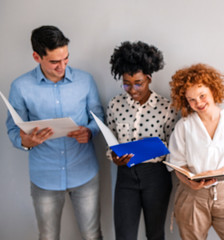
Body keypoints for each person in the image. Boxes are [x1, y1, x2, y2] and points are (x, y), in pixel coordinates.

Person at [5, 25, 104, 239]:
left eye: (66, 58)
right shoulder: (20, 87)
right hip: (44, 177)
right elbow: (13, 129)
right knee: (48, 236)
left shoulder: (85, 80)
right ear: (36, 56)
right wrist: (26, 141)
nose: (62, 66)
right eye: (54, 62)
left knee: (92, 234)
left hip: (84, 171)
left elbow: (98, 117)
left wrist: (90, 131)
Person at [168, 63, 224, 239]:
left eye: (202, 95)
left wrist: (220, 172)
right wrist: (189, 181)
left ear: (213, 90)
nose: (198, 103)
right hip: (192, 197)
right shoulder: (184, 126)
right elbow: (177, 163)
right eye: (191, 99)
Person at [107, 41, 178, 240]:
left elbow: (174, 145)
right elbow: (110, 139)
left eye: (138, 83)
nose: (132, 89)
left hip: (156, 177)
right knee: (124, 235)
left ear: (149, 78)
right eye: (126, 83)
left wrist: (151, 149)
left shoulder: (167, 107)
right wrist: (113, 155)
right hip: (125, 175)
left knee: (155, 234)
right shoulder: (115, 104)